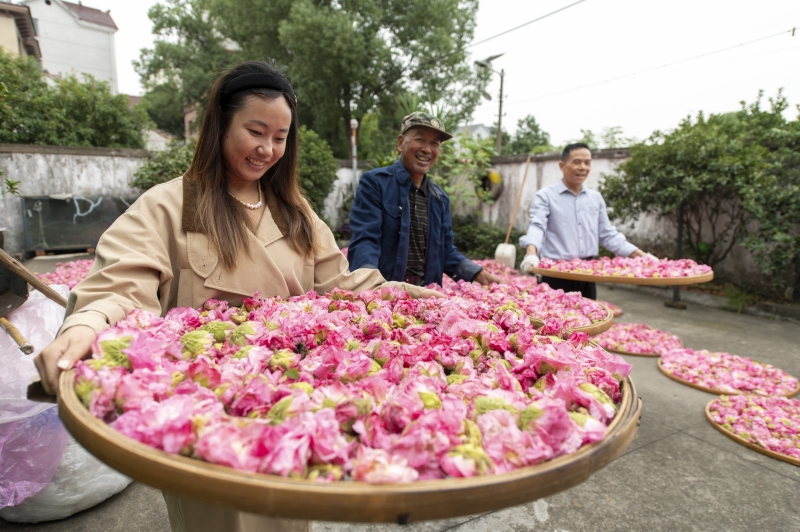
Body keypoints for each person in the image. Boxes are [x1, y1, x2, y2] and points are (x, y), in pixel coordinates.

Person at [32, 60, 439, 532]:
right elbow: (122, 284)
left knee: (286, 519)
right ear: (221, 124)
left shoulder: (296, 213)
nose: (268, 149)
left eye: (281, 137)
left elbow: (343, 287)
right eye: (256, 131)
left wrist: (423, 300)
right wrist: (86, 325)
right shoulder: (170, 204)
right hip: (207, 418)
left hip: (287, 407)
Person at [347, 112, 500, 287]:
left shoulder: (439, 198)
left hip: (424, 298)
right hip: (384, 296)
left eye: (434, 143)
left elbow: (446, 251)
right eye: (420, 139)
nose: (427, 149)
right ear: (400, 143)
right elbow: (365, 239)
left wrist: (478, 273)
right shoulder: (375, 183)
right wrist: (370, 282)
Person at [518, 142, 644, 299]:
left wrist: (641, 256)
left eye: (587, 162)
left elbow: (607, 234)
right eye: (577, 162)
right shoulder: (545, 196)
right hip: (555, 274)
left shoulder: (595, 198)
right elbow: (537, 227)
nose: (583, 167)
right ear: (562, 165)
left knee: (589, 319)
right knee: (555, 320)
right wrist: (531, 253)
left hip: (587, 274)